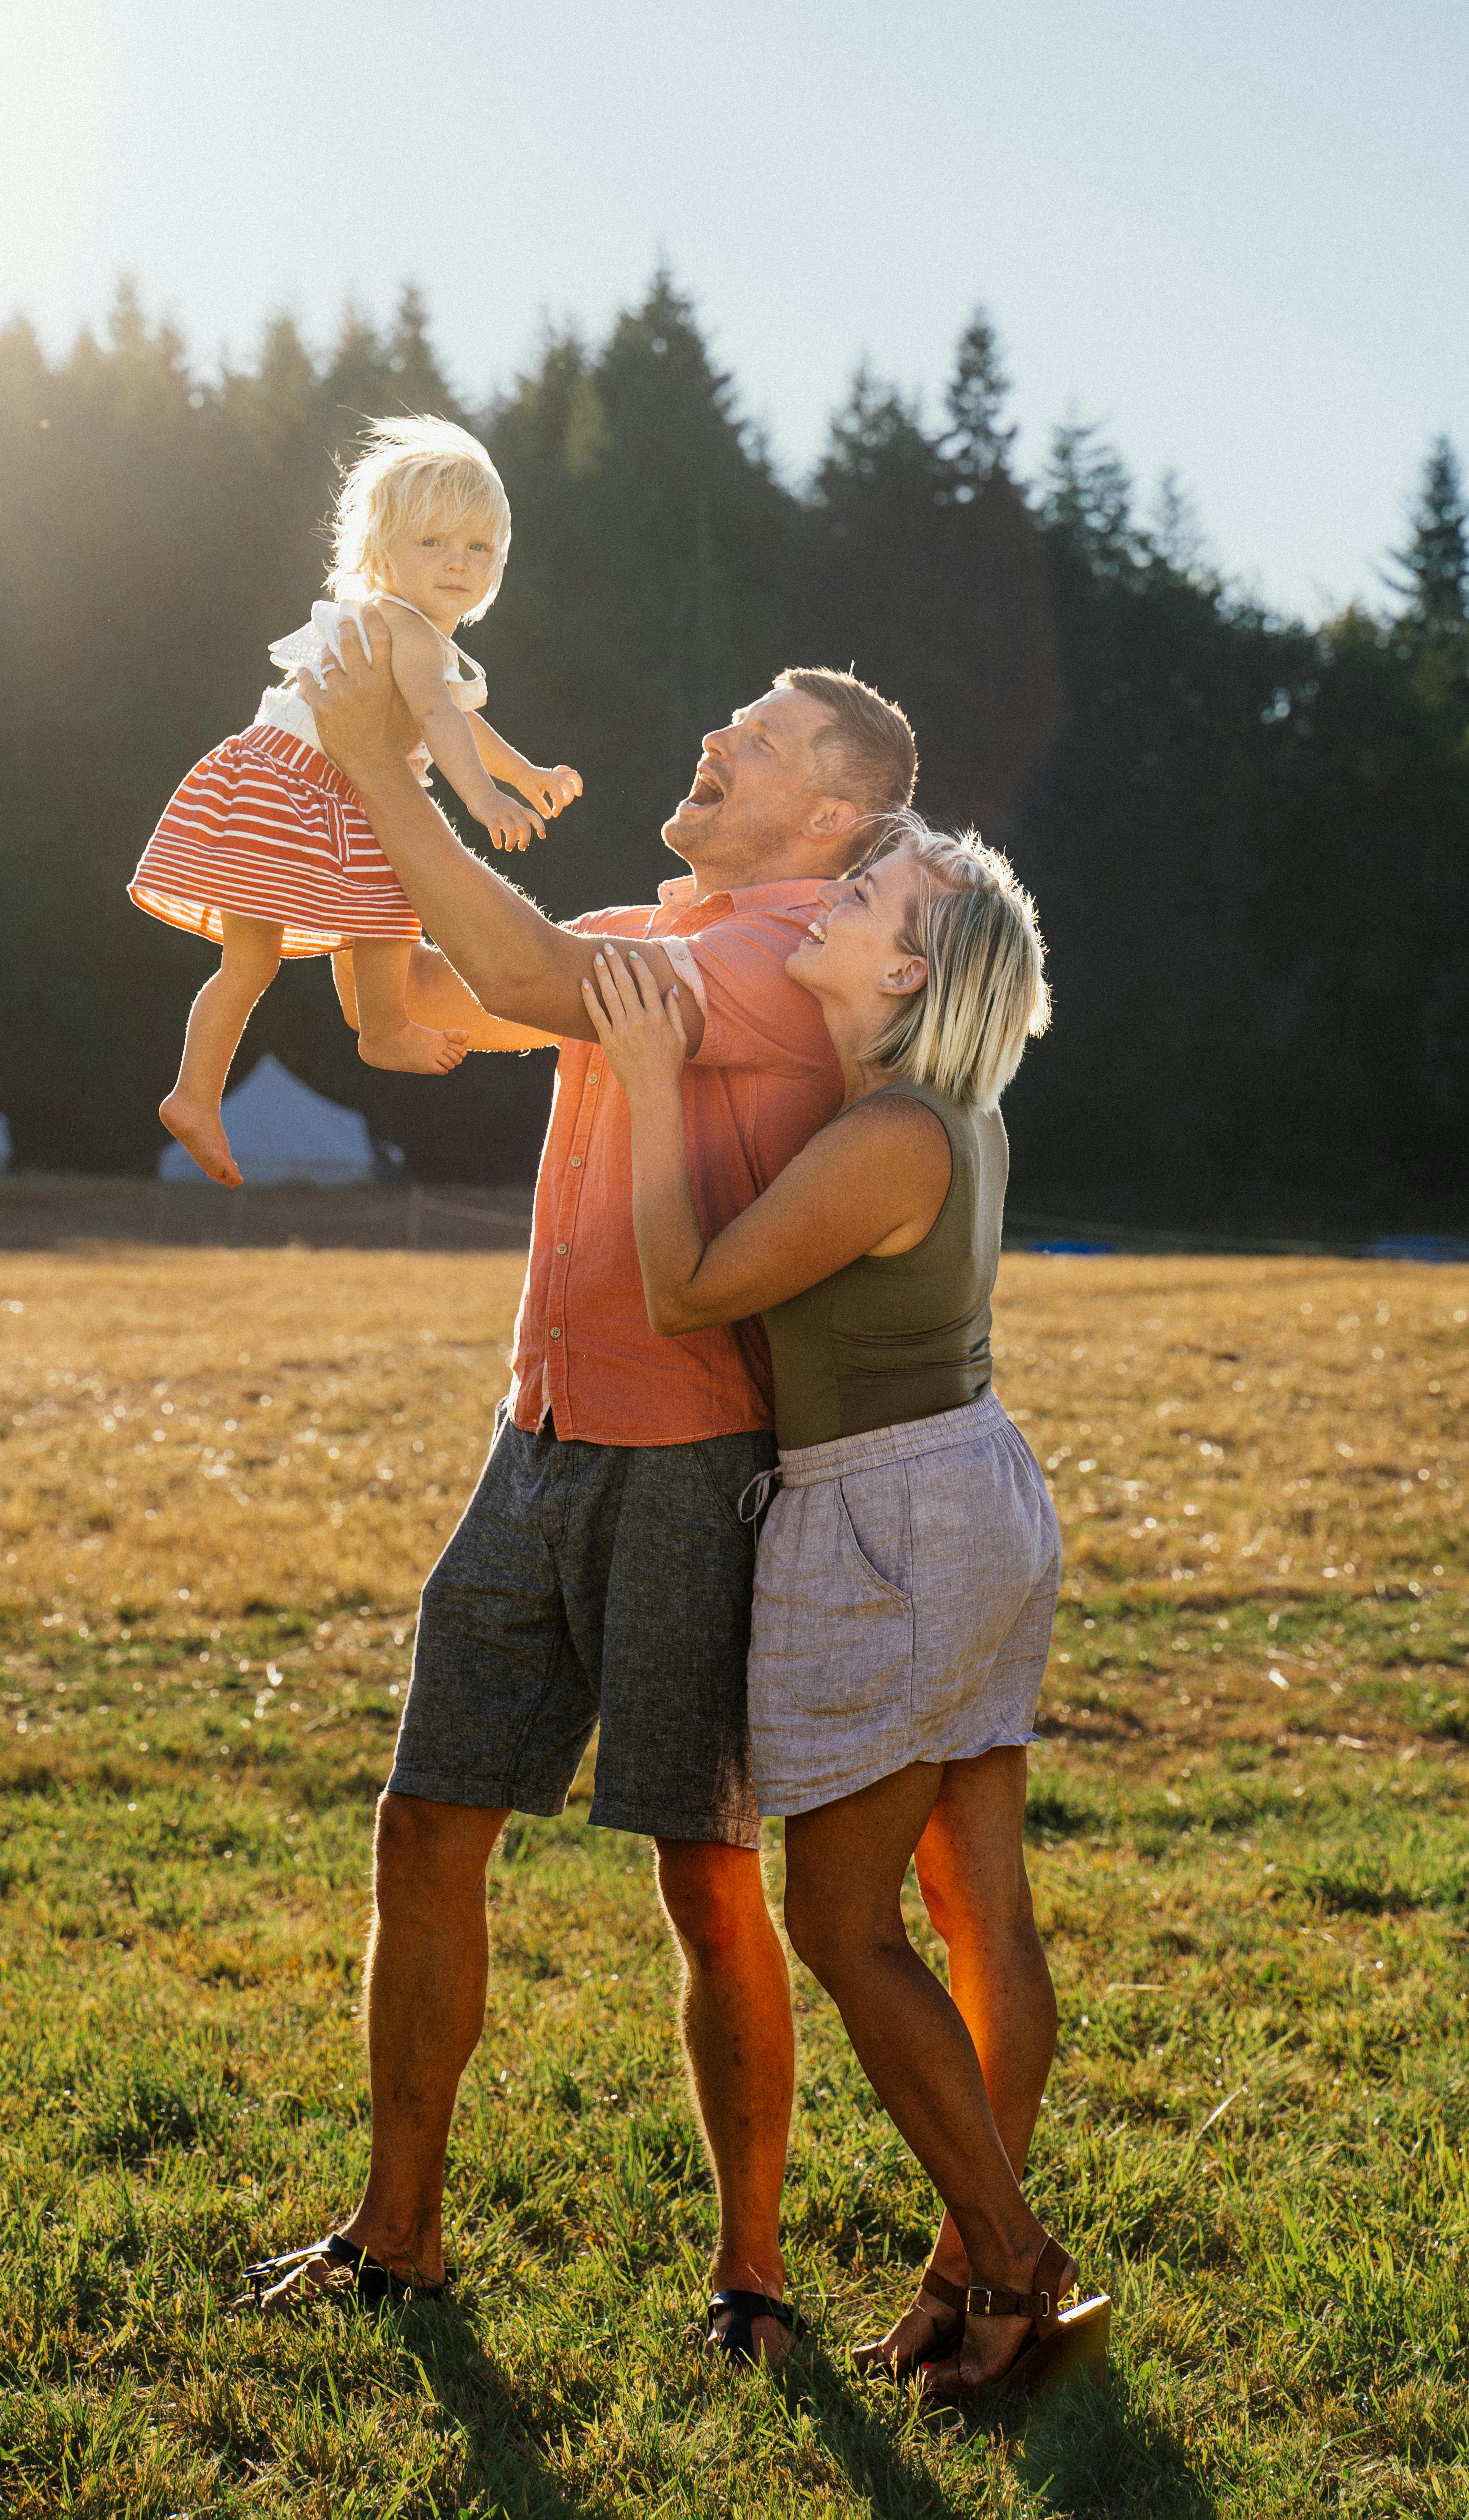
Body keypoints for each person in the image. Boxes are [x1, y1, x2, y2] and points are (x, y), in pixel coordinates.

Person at [236, 607, 917, 2365]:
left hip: (696, 1461)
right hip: (531, 1440)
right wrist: (331, 799)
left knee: (702, 1871)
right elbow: (410, 1019)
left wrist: (391, 767)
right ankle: (398, 2236)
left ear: (831, 820)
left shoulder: (783, 953)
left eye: (761, 737)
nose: (720, 737)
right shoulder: (643, 930)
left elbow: (528, 979)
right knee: (423, 1822)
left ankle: (751, 2282)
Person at [580, 819, 1111, 2402]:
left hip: (885, 1516)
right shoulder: (958, 1119)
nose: (837, 895)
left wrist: (654, 1081)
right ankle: (972, 2278)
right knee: (985, 1917)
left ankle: (1014, 2266)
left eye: (869, 894)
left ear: (906, 969)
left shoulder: (892, 1130)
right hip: (970, 1492)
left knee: (839, 1922)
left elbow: (689, 1288)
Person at [129, 418, 582, 1185]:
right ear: (379, 554)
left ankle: (194, 1095)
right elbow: (440, 720)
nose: (457, 564)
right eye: (432, 544)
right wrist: (482, 800)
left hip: (266, 781)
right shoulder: (403, 627)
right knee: (395, 896)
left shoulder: (401, 630)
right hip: (313, 789)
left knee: (247, 962)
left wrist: (524, 772)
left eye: (477, 549)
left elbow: (460, 716)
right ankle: (384, 1027)